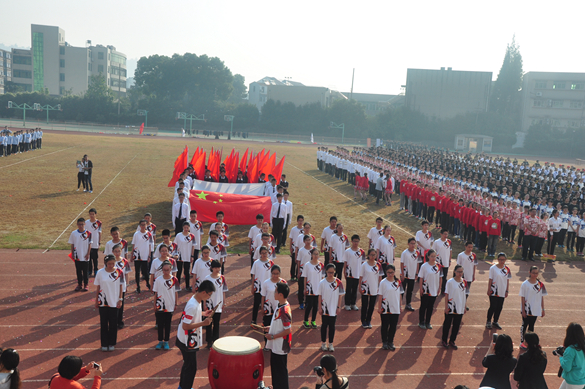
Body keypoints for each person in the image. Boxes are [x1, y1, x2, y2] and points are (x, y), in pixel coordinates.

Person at [176, 280, 215, 389]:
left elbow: (191, 316)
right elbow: (185, 326)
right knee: (191, 367)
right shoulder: (193, 305)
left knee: (188, 365)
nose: (209, 297)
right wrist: (203, 323)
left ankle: (183, 386)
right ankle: (185, 387)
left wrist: (203, 314)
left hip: (188, 338)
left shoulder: (196, 300)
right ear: (204, 292)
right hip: (187, 340)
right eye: (209, 294)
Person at [264, 282, 292, 389]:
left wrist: (272, 336)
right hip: (276, 345)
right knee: (275, 370)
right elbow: (278, 324)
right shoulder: (280, 306)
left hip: (281, 346)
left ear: (280, 294)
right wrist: (270, 328)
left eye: (275, 291)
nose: (274, 293)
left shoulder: (284, 310)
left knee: (280, 372)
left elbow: (288, 330)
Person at [94, 255, 123, 352]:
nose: (111, 265)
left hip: (114, 302)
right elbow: (98, 287)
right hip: (103, 302)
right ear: (105, 263)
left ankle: (111, 343)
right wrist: (96, 300)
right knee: (103, 323)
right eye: (109, 263)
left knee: (113, 324)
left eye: (113, 263)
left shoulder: (119, 272)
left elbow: (121, 287)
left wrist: (120, 299)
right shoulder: (100, 272)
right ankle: (104, 343)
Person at [318, 264, 345, 352]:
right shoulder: (322, 283)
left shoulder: (338, 282)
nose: (331, 274)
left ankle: (330, 343)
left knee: (332, 326)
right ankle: (323, 343)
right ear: (326, 271)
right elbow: (319, 296)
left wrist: (338, 306)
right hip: (325, 308)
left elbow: (340, 296)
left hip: (333, 308)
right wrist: (320, 308)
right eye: (329, 272)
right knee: (324, 325)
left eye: (333, 272)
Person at [152, 260, 178, 350]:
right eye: (164, 270)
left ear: (171, 269)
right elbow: (155, 293)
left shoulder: (174, 280)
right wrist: (155, 304)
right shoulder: (158, 280)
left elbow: (176, 293)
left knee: (167, 324)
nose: (166, 271)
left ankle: (166, 341)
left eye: (167, 270)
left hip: (170, 305)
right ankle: (160, 341)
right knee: (160, 324)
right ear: (162, 270)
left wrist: (176, 304)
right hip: (160, 306)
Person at [377, 264, 403, 351]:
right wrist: (379, 307)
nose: (390, 274)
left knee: (393, 326)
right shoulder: (383, 282)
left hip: (395, 308)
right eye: (388, 272)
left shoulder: (398, 282)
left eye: (392, 272)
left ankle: (390, 341)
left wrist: (400, 305)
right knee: (385, 325)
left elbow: (400, 294)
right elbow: (380, 296)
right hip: (385, 308)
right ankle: (384, 342)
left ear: (394, 272)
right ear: (386, 272)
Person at [520, 266, 547, 347]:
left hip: (535, 309)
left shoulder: (541, 284)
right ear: (529, 273)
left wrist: (543, 309)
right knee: (524, 325)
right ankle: (522, 342)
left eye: (536, 273)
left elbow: (541, 297)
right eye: (533, 273)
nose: (535, 275)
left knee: (531, 326)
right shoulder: (525, 284)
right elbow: (522, 297)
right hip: (527, 309)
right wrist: (523, 310)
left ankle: (529, 342)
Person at [203, 260, 228, 348]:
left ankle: (215, 340)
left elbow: (224, 291)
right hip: (209, 304)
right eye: (216, 267)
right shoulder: (207, 278)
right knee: (208, 323)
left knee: (216, 323)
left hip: (219, 304)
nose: (217, 269)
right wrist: (204, 304)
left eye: (219, 267)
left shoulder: (222, 278)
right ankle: (209, 341)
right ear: (212, 268)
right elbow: (204, 292)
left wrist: (224, 303)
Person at [441, 265, 466, 349]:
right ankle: (444, 340)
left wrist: (464, 306)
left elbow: (463, 295)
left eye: (461, 272)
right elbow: (447, 294)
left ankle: (452, 340)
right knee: (447, 324)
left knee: (456, 325)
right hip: (451, 306)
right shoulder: (450, 282)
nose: (460, 273)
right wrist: (446, 307)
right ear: (455, 271)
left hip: (460, 307)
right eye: (458, 271)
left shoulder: (464, 282)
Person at [417, 249, 442, 329]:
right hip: (426, 290)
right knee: (423, 306)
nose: (433, 258)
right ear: (428, 256)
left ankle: (428, 322)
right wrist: (421, 289)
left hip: (434, 290)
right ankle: (421, 322)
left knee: (430, 307)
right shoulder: (424, 266)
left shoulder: (439, 266)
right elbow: (421, 278)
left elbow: (441, 278)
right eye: (432, 256)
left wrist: (439, 288)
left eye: (435, 256)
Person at [359, 249, 383, 329]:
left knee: (372, 305)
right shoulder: (364, 265)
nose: (373, 257)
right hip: (365, 287)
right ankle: (363, 321)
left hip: (374, 288)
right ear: (368, 255)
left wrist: (380, 288)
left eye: (374, 255)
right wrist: (359, 287)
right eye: (371, 255)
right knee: (364, 305)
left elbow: (380, 277)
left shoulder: (378, 265)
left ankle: (368, 320)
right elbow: (361, 277)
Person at [486, 253, 511, 330]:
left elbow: (507, 280)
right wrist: (489, 289)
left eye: (503, 259)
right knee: (493, 306)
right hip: (494, 290)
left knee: (499, 307)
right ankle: (488, 321)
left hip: (502, 290)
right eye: (500, 259)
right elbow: (490, 279)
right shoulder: (493, 268)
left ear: (505, 260)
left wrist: (507, 290)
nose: (502, 261)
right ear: (498, 259)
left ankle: (495, 321)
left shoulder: (507, 269)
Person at [251, 246, 275, 324]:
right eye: (262, 253)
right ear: (260, 253)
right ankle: (254, 320)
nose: (264, 254)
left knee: (267, 305)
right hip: (258, 287)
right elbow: (253, 275)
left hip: (268, 288)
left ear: (268, 253)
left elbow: (273, 275)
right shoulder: (256, 263)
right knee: (256, 304)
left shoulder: (271, 263)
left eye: (266, 252)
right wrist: (252, 287)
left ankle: (265, 321)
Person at [302, 248, 325, 329]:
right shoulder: (307, 265)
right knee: (309, 305)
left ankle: (313, 320)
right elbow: (305, 277)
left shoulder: (321, 265)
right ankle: (305, 320)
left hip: (318, 289)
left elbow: (323, 278)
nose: (316, 255)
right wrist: (305, 288)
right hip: (310, 289)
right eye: (314, 254)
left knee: (316, 306)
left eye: (317, 254)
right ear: (311, 255)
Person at [557, 322, 585, 389]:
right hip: (580, 379)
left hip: (573, 382)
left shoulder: (570, 349)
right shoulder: (582, 347)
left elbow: (567, 368)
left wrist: (561, 357)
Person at [68, 218, 92, 292]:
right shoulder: (74, 233)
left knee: (85, 271)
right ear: (77, 224)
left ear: (85, 224)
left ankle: (86, 284)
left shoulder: (89, 233)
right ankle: (79, 284)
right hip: (77, 256)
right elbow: (72, 244)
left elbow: (90, 244)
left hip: (85, 256)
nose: (81, 226)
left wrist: (88, 254)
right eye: (79, 224)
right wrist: (72, 253)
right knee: (78, 271)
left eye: (82, 224)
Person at [342, 235, 365, 311]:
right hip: (349, 273)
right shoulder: (347, 251)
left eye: (357, 241)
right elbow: (345, 262)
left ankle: (353, 304)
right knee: (348, 289)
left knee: (355, 289)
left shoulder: (361, 252)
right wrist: (344, 271)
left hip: (358, 273)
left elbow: (363, 263)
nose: (356, 243)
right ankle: (347, 304)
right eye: (354, 241)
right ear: (351, 241)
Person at [130, 220, 153, 293]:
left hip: (145, 255)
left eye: (144, 224)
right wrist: (132, 255)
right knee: (137, 272)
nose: (143, 226)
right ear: (139, 226)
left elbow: (150, 245)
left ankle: (148, 283)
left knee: (146, 271)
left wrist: (149, 255)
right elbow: (133, 245)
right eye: (142, 225)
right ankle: (138, 286)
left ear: (146, 225)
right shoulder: (136, 234)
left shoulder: (149, 234)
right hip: (137, 256)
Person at [400, 237, 421, 311]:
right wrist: (402, 274)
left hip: (412, 275)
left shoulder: (417, 252)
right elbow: (402, 264)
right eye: (411, 243)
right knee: (402, 290)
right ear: (408, 244)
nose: (413, 245)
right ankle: (399, 304)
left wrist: (416, 273)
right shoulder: (404, 253)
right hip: (405, 275)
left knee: (410, 290)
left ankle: (408, 304)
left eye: (414, 243)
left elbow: (418, 263)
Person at [174, 221, 195, 291]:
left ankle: (187, 286)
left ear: (189, 228)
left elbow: (193, 246)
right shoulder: (178, 235)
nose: (186, 229)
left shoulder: (192, 236)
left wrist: (192, 256)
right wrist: (175, 254)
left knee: (187, 272)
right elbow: (175, 245)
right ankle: (177, 286)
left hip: (187, 257)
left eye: (187, 227)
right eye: (185, 227)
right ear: (182, 227)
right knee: (179, 271)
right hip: (180, 257)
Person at [456, 241, 477, 311]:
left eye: (471, 247)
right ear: (465, 247)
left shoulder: (474, 255)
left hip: (469, 276)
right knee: (460, 291)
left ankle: (464, 303)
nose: (470, 249)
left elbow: (474, 266)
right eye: (469, 247)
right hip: (462, 276)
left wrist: (473, 275)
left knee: (467, 292)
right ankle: (458, 303)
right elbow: (458, 266)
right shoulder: (461, 255)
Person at [85, 209, 102, 277]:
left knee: (95, 258)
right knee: (89, 258)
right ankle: (89, 270)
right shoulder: (86, 222)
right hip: (88, 243)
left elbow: (100, 233)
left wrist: (99, 243)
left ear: (96, 214)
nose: (91, 215)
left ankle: (96, 270)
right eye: (90, 214)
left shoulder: (99, 223)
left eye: (93, 214)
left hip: (95, 243)